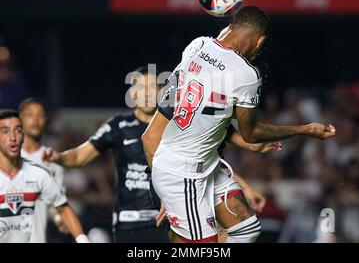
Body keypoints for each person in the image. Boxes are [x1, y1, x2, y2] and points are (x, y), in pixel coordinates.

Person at [142, 5, 336, 243]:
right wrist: (304, 130)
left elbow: (205, 113)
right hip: (184, 174)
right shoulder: (246, 73)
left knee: (247, 228)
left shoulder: (197, 46)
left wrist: (246, 143)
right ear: (260, 40)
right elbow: (252, 132)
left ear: (230, 27)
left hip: (203, 166)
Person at [43, 66, 278, 243]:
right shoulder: (117, 125)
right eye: (140, 88)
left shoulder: (181, 123)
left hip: (169, 220)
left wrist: (244, 187)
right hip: (129, 222)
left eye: (152, 87)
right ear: (132, 94)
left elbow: (209, 161)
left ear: (163, 93)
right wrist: (58, 157)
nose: (146, 93)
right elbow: (79, 157)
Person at [0, 109, 89, 243]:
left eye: (18, 130)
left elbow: (63, 207)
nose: (13, 137)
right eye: (5, 131)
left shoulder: (39, 174)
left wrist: (83, 240)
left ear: (23, 136)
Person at [18, 98, 68, 243]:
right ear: (19, 119)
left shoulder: (53, 160)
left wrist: (60, 219)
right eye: (30, 114)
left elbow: (55, 203)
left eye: (40, 115)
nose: (36, 119)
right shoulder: (6, 156)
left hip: (36, 237)